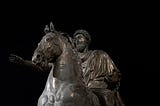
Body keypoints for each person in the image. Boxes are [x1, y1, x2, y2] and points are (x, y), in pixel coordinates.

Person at [73, 29, 125, 106]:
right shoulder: (71, 59)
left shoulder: (100, 55)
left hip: (97, 88)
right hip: (76, 89)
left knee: (107, 96)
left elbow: (114, 74)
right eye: (75, 39)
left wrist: (113, 77)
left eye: (80, 37)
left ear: (87, 41)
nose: (76, 41)